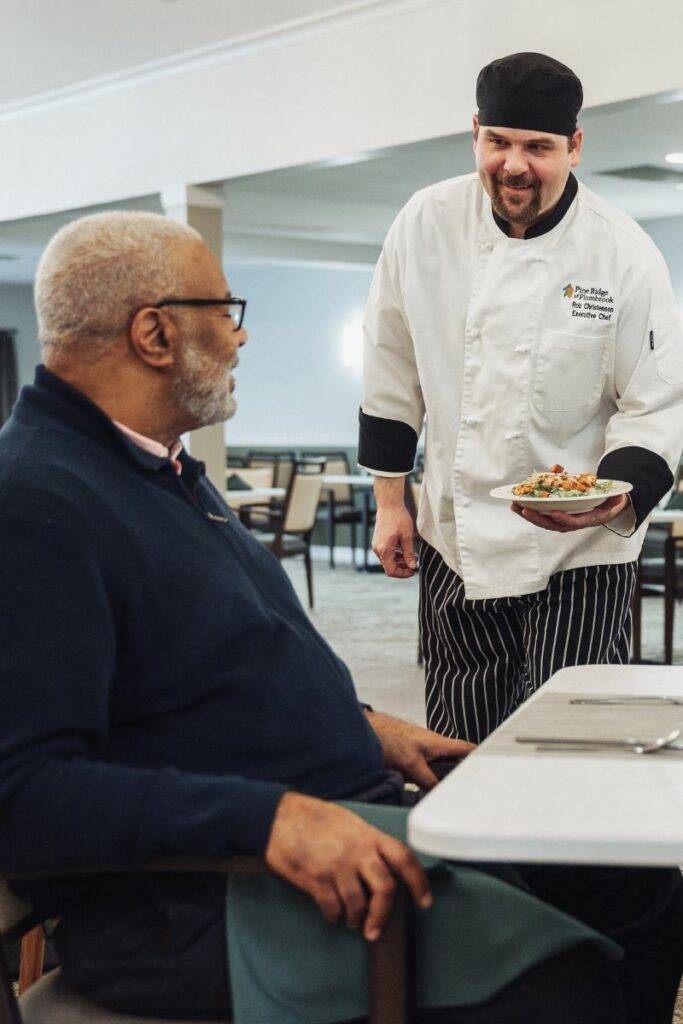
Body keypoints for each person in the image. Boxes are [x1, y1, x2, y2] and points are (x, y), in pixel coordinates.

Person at [1, 211, 681, 1024]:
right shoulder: (36, 502)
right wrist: (271, 818)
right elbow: (25, 794)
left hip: (332, 807)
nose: (240, 338)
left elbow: (203, 672)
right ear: (154, 334)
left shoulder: (155, 472)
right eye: (226, 313)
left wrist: (365, 727)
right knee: (566, 982)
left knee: (636, 882)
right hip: (205, 898)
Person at [359, 52, 683, 743]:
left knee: (571, 741)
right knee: (459, 740)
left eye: (537, 147)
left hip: (580, 550)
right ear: (473, 132)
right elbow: (390, 365)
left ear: (573, 146)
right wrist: (391, 503)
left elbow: (656, 402)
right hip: (456, 533)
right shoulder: (424, 224)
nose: (513, 165)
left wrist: (616, 496)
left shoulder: (622, 254)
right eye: (497, 142)